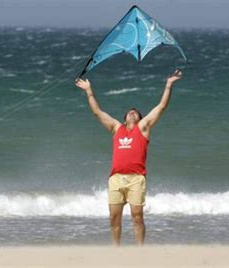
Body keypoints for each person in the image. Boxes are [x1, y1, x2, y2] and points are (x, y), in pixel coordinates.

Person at [75, 69, 182, 246]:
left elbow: (161, 106)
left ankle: (139, 252)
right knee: (114, 217)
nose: (133, 113)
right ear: (124, 119)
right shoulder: (117, 128)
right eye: (129, 112)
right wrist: (89, 91)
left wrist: (169, 84)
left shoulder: (144, 128)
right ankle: (116, 250)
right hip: (116, 179)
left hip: (136, 179)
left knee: (137, 216)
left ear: (140, 118)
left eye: (136, 113)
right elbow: (97, 112)